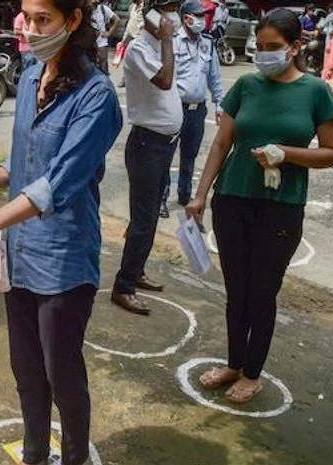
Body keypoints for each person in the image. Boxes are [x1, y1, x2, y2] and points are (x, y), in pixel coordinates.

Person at [0, 0, 122, 463]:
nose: (29, 28)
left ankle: (73, 457)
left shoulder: (96, 96)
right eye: (26, 17)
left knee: (61, 372)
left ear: (73, 20)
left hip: (64, 260)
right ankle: (32, 453)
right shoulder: (29, 76)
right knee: (26, 371)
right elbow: (25, 163)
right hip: (21, 253)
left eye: (42, 19)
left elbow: (57, 184)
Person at [186, 8, 333, 404]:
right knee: (236, 290)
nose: (264, 54)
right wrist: (201, 193)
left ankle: (253, 373)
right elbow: (221, 144)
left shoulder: (315, 91)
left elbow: (332, 154)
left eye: (274, 47)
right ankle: (234, 363)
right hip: (233, 198)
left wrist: (284, 153)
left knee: (261, 292)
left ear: (295, 47)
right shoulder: (246, 87)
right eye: (261, 46)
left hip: (280, 206)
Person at [110, 0, 182, 316]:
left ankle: (136, 271)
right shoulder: (141, 48)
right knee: (143, 218)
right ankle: (123, 286)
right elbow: (164, 81)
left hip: (164, 144)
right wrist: (166, 38)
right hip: (146, 146)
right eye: (167, 9)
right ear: (151, 16)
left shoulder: (157, 44)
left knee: (151, 214)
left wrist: (166, 39)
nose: (173, 16)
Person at [159, 0, 224, 218]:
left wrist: (219, 104)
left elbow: (214, 76)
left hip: (198, 110)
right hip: (175, 108)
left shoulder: (207, 43)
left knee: (190, 156)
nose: (203, 20)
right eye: (198, 16)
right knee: (166, 155)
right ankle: (162, 198)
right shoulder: (172, 42)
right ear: (187, 18)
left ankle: (185, 195)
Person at [118, 0, 145, 87]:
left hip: (139, 38)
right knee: (127, 59)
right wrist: (124, 39)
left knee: (139, 61)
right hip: (130, 37)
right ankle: (125, 79)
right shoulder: (132, 7)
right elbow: (130, 22)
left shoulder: (145, 8)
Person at [91, 0, 120, 74]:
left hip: (102, 43)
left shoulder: (102, 9)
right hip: (89, 44)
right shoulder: (86, 10)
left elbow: (117, 19)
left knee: (103, 66)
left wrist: (109, 33)